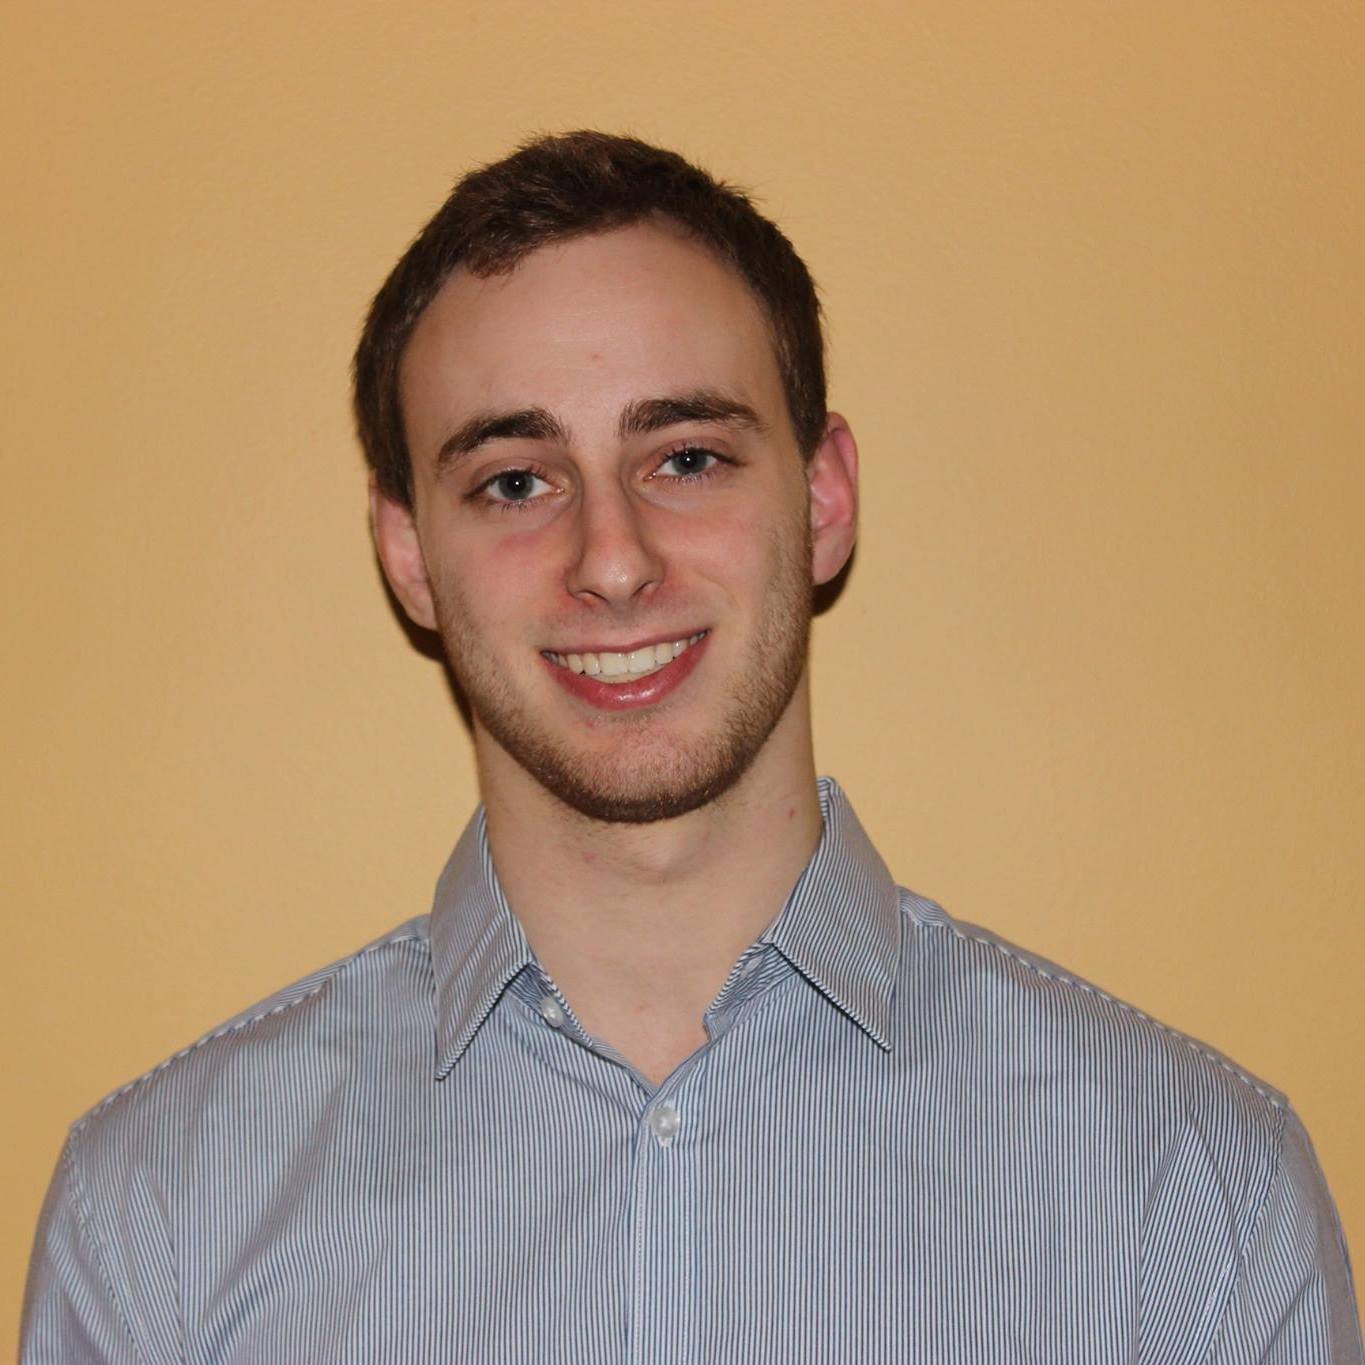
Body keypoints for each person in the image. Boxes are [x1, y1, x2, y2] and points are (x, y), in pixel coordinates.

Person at [21, 131, 1362, 1363]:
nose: (612, 559)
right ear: (408, 553)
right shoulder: (162, 1220)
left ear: (823, 497)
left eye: (688, 458)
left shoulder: (1191, 1194)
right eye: (513, 481)